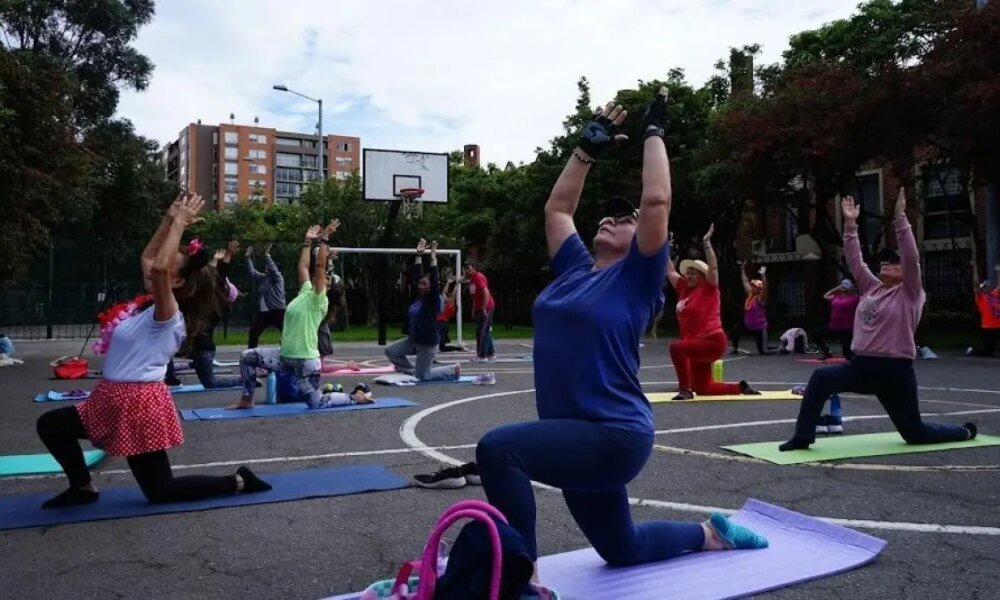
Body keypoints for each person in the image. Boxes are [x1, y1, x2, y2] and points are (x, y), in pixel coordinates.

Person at [475, 92, 768, 579]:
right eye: (607, 216)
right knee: (623, 548)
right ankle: (713, 534)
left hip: (613, 435)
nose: (612, 217)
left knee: (498, 449)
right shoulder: (574, 270)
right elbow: (558, 210)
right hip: (579, 435)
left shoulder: (637, 278)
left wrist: (654, 135)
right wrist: (584, 152)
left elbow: (656, 199)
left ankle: (517, 580)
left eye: (626, 218)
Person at [35, 193, 271, 508]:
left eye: (169, 262)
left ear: (175, 280)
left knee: (160, 490)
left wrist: (181, 225)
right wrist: (169, 219)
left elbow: (158, 269)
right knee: (52, 425)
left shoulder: (168, 316)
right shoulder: (150, 305)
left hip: (138, 403)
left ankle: (239, 481)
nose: (160, 263)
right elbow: (150, 257)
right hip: (110, 396)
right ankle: (83, 487)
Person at [779, 191, 978, 451]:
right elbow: (855, 260)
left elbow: (911, 257)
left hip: (894, 372)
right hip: (861, 366)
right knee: (820, 378)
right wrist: (850, 224)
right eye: (885, 261)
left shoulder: (911, 293)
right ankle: (802, 437)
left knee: (915, 433)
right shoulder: (871, 287)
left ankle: (963, 432)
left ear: (906, 271)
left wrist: (900, 220)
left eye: (894, 262)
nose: (886, 263)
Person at [230, 221, 375, 410]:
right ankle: (247, 399)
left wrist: (324, 239)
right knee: (247, 357)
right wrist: (307, 242)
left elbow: (320, 265)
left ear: (327, 289)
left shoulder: (319, 299)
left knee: (316, 403)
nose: (324, 278)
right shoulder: (306, 290)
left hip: (305, 361)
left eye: (327, 280)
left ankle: (356, 397)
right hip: (285, 357)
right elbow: (303, 267)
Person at [667, 225, 760, 400]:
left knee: (676, 348)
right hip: (695, 344)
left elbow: (714, 268)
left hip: (711, 340)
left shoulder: (709, 288)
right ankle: (740, 387)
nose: (689, 276)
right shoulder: (683, 289)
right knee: (703, 388)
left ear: (702, 275)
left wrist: (707, 243)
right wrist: (663, 246)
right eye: (687, 273)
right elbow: (670, 270)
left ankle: (685, 389)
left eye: (693, 273)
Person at [165, 240, 243, 389]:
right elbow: (211, 273)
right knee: (164, 343)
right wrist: (224, 257)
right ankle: (171, 376)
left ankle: (245, 380)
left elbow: (213, 275)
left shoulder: (209, 309)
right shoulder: (200, 294)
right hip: (189, 348)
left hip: (201, 350)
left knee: (210, 383)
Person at [385, 240, 462, 382]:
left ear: (430, 286)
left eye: (424, 284)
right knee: (390, 351)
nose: (421, 286)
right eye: (420, 284)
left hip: (427, 343)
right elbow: (416, 276)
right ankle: (413, 370)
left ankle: (452, 369)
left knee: (423, 377)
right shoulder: (418, 297)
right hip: (413, 340)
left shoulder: (431, 299)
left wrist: (433, 258)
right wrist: (419, 255)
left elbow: (435, 281)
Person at [246, 242, 287, 348]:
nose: (266, 268)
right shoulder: (264, 278)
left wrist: (267, 255)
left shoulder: (278, 278)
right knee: (253, 333)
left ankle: (287, 352)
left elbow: (274, 269)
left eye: (267, 266)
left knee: (287, 334)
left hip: (278, 311)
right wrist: (248, 258)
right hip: (265, 313)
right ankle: (251, 352)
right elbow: (252, 272)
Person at [810, 279, 860, 360]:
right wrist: (838, 287)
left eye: (846, 288)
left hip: (846, 329)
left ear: (851, 289)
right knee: (814, 333)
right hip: (833, 327)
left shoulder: (855, 298)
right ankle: (827, 352)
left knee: (848, 356)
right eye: (843, 288)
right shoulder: (837, 297)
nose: (844, 290)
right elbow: (825, 296)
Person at [462, 260, 495, 361]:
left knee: (482, 331)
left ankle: (482, 356)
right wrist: (474, 307)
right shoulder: (472, 280)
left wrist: (484, 308)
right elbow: (475, 295)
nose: (467, 271)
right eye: (465, 269)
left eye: (469, 269)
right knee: (484, 330)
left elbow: (486, 293)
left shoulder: (478, 277)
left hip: (487, 307)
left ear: (474, 268)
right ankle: (490, 353)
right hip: (480, 307)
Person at [967, 261, 1000, 357]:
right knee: (988, 352)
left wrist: (998, 272)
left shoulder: (994, 294)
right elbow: (976, 285)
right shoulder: (980, 298)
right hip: (988, 327)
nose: (986, 287)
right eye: (984, 286)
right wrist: (975, 269)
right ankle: (972, 351)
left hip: (998, 325)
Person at [740, 263, 772, 355]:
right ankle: (735, 347)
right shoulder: (750, 296)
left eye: (754, 286)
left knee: (763, 351)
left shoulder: (761, 298)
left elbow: (765, 286)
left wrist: (763, 274)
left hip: (760, 328)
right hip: (749, 327)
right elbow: (745, 281)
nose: (752, 287)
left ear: (759, 289)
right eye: (752, 285)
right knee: (735, 329)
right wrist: (742, 269)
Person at [437, 274, 469, 352]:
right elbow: (444, 292)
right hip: (438, 323)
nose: (443, 296)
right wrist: (448, 282)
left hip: (443, 324)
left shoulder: (450, 303)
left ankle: (459, 348)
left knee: (442, 347)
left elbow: (453, 294)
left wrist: (457, 284)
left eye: (445, 297)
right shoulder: (443, 302)